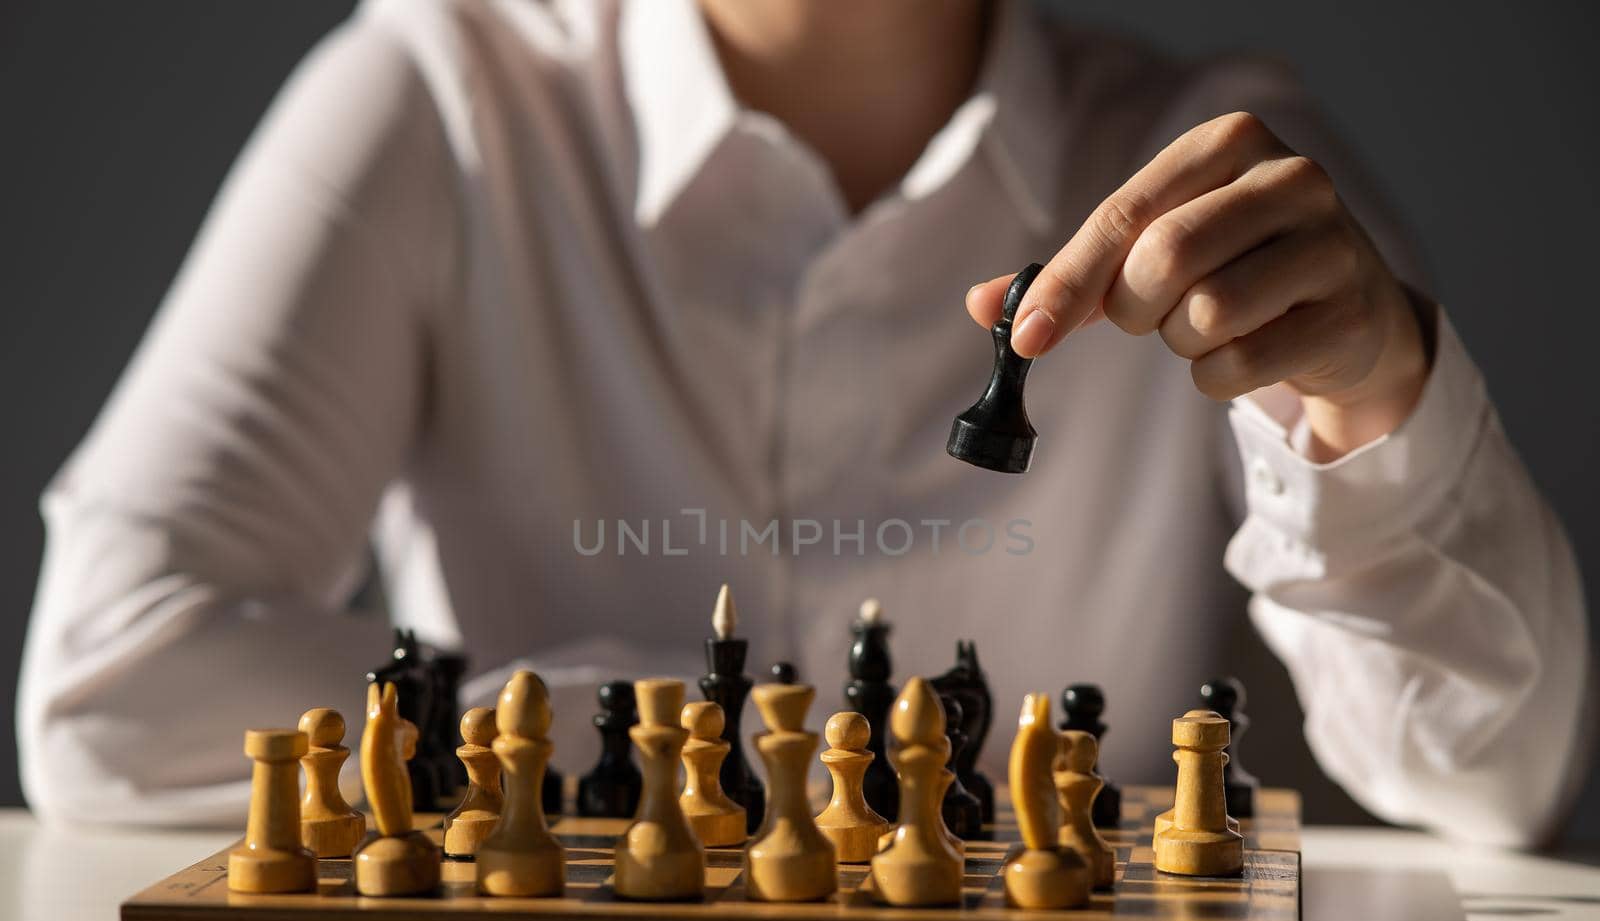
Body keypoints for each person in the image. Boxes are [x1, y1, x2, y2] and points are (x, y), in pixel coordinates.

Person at [17, 0, 1591, 844]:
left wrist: (1377, 413)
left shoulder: (1214, 170)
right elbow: (108, 681)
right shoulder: (440, 94)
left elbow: (1500, 781)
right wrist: (680, 747)